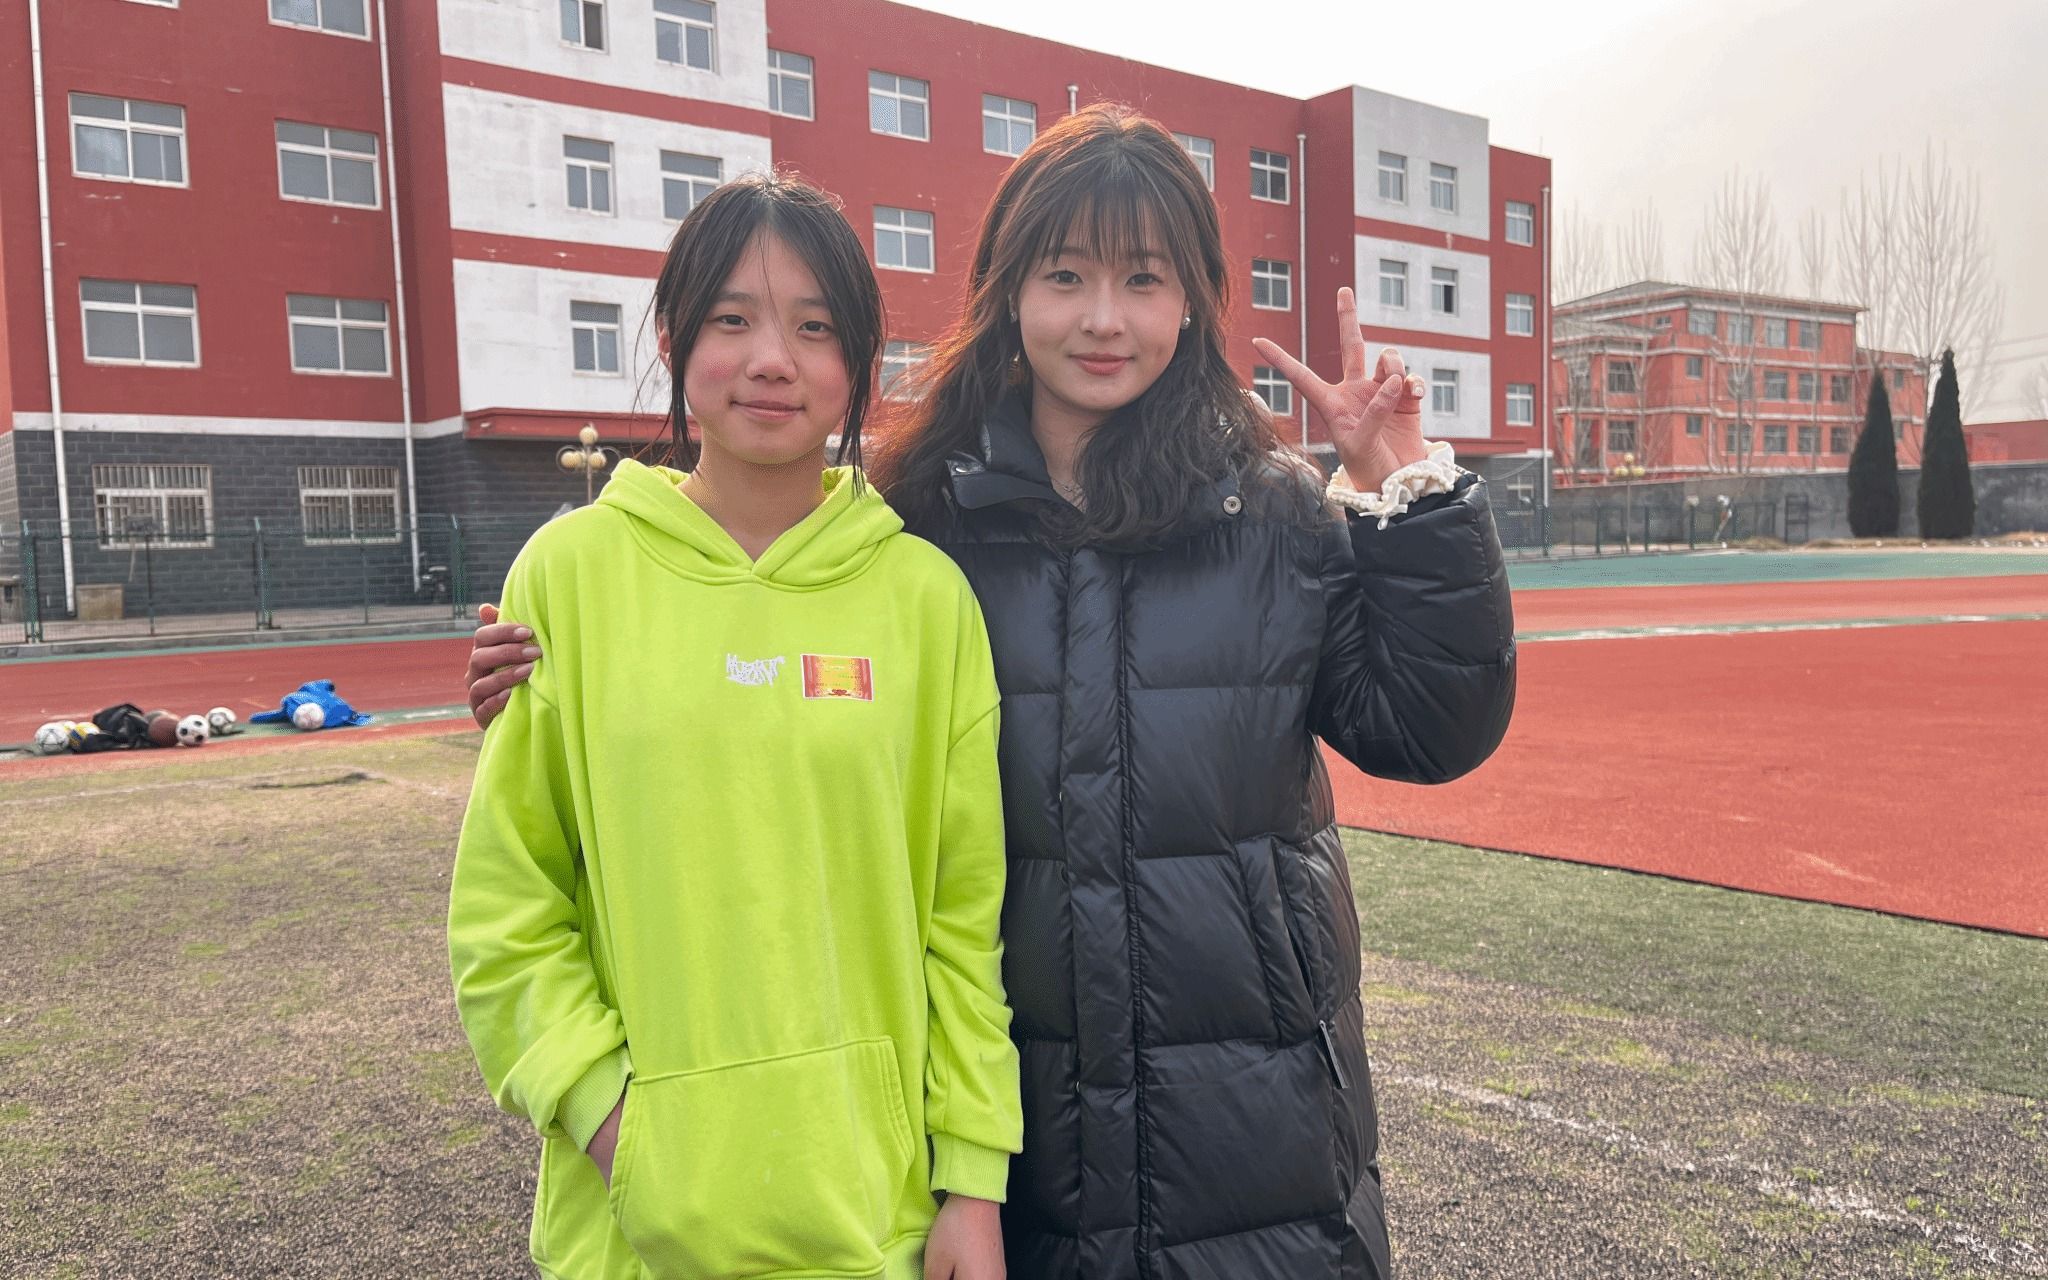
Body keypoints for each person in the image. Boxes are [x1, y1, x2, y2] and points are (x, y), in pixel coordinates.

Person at [468, 106, 1515, 1279]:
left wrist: (1408, 490)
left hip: (1253, 1126)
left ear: (1192, 302)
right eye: (1064, 275)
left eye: (1142, 278)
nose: (1102, 317)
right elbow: (741, 647)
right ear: (1009, 289)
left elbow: (1427, 727)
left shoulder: (1265, 508)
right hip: (1026, 1136)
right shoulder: (924, 521)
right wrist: (567, 673)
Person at [447, 172, 1020, 1280]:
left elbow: (962, 920)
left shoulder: (926, 598)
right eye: (731, 318)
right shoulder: (569, 574)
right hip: (630, 1237)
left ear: (857, 363)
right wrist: (619, 1127)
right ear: (673, 339)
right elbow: (509, 905)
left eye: (814, 327)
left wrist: (973, 1180)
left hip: (877, 1227)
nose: (772, 359)